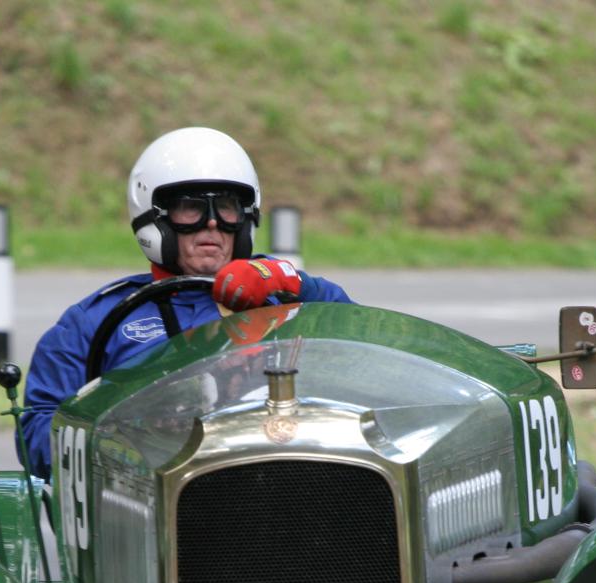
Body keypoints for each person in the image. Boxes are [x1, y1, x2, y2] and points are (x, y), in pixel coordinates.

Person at [19, 127, 352, 477]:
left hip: (281, 483)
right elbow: (37, 436)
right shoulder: (94, 322)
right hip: (148, 495)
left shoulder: (284, 294)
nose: (211, 222)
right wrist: (127, 429)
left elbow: (367, 344)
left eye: (226, 207)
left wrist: (291, 279)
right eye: (190, 209)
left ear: (246, 217)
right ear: (154, 218)